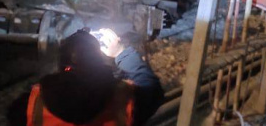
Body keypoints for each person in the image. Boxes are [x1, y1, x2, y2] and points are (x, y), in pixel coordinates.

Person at [9, 28, 164, 126]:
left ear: (62, 64)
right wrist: (121, 52)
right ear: (98, 61)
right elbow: (151, 87)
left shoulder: (31, 104)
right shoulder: (123, 98)